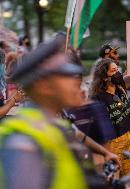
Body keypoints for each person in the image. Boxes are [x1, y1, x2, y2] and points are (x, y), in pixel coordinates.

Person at [0, 35, 119, 189]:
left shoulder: (53, 122)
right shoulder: (24, 143)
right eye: (66, 76)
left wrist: (105, 153)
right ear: (44, 86)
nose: (76, 82)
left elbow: (77, 134)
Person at [91, 58, 130, 177]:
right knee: (114, 180)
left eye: (117, 70)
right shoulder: (98, 98)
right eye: (113, 71)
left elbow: (126, 115)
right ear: (104, 77)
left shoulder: (120, 89)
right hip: (111, 145)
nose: (117, 74)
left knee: (129, 179)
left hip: (128, 141)